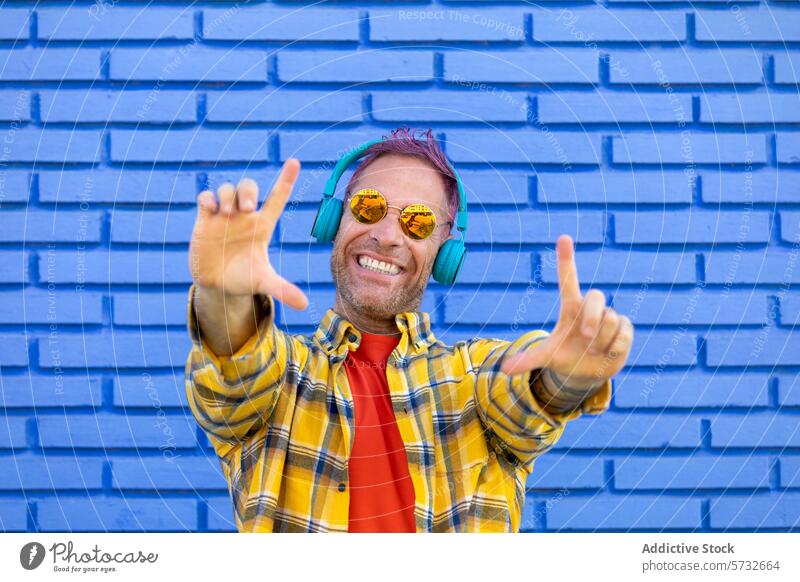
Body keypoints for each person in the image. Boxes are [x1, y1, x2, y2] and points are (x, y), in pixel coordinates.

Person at [185, 127, 633, 533]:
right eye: (369, 206)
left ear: (443, 252)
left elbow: (522, 392)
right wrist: (226, 296)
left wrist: (566, 377)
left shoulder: (471, 379)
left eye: (417, 221)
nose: (387, 235)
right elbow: (236, 369)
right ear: (334, 221)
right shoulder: (283, 380)